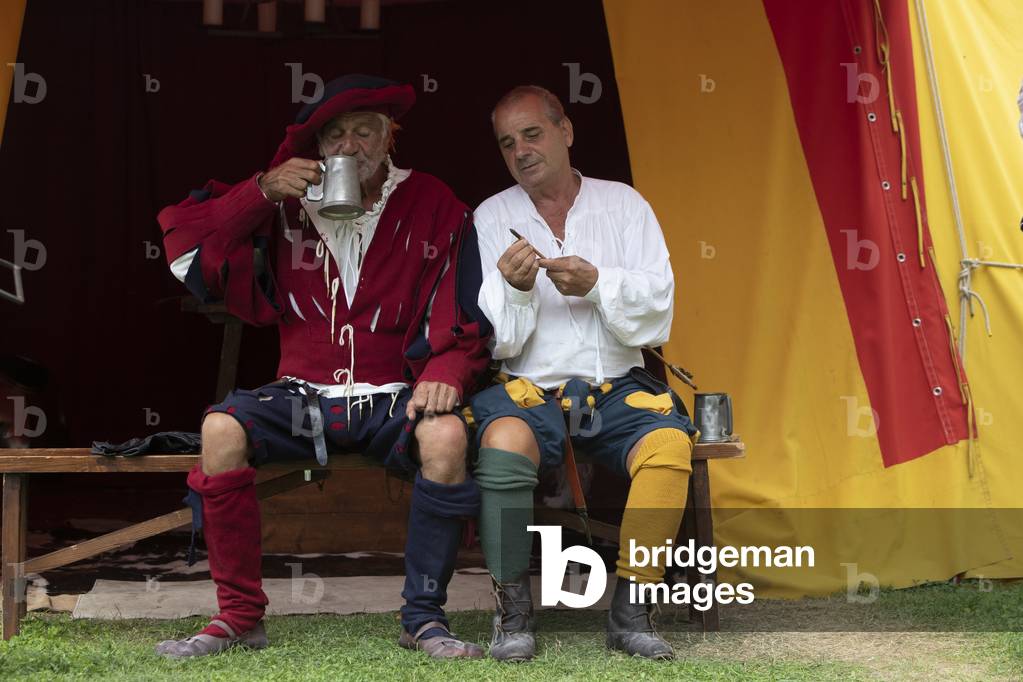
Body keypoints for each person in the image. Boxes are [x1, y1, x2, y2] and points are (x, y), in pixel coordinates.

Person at [154, 75, 491, 659]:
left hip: (394, 393)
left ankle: (424, 618)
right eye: (336, 135)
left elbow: (467, 307)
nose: (350, 146)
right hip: (300, 392)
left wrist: (449, 373)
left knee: (447, 436)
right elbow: (185, 252)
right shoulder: (284, 203)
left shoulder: (434, 201)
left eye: (365, 132)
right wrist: (259, 191)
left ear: (391, 140)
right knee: (219, 428)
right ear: (320, 148)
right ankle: (239, 616)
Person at [469, 85, 698, 661]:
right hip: (528, 388)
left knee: (669, 444)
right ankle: (514, 613)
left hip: (617, 388)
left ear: (565, 131)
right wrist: (518, 290)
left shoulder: (625, 204)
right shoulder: (493, 215)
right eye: (507, 143)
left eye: (532, 133)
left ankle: (631, 613)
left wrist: (599, 285)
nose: (520, 150)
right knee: (502, 442)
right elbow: (496, 338)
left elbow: (659, 309)